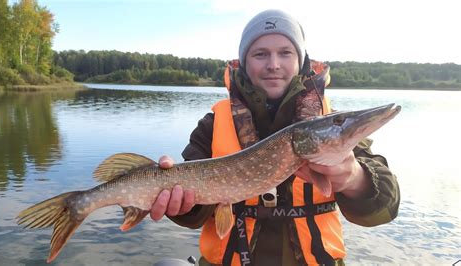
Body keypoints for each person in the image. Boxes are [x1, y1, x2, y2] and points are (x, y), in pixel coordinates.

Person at [149, 9, 400, 266]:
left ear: (301, 61)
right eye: (260, 54)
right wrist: (181, 206)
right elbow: (193, 217)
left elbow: (385, 207)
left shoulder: (329, 125)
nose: (273, 64)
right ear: (244, 64)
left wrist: (355, 178)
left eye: (285, 52)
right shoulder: (213, 125)